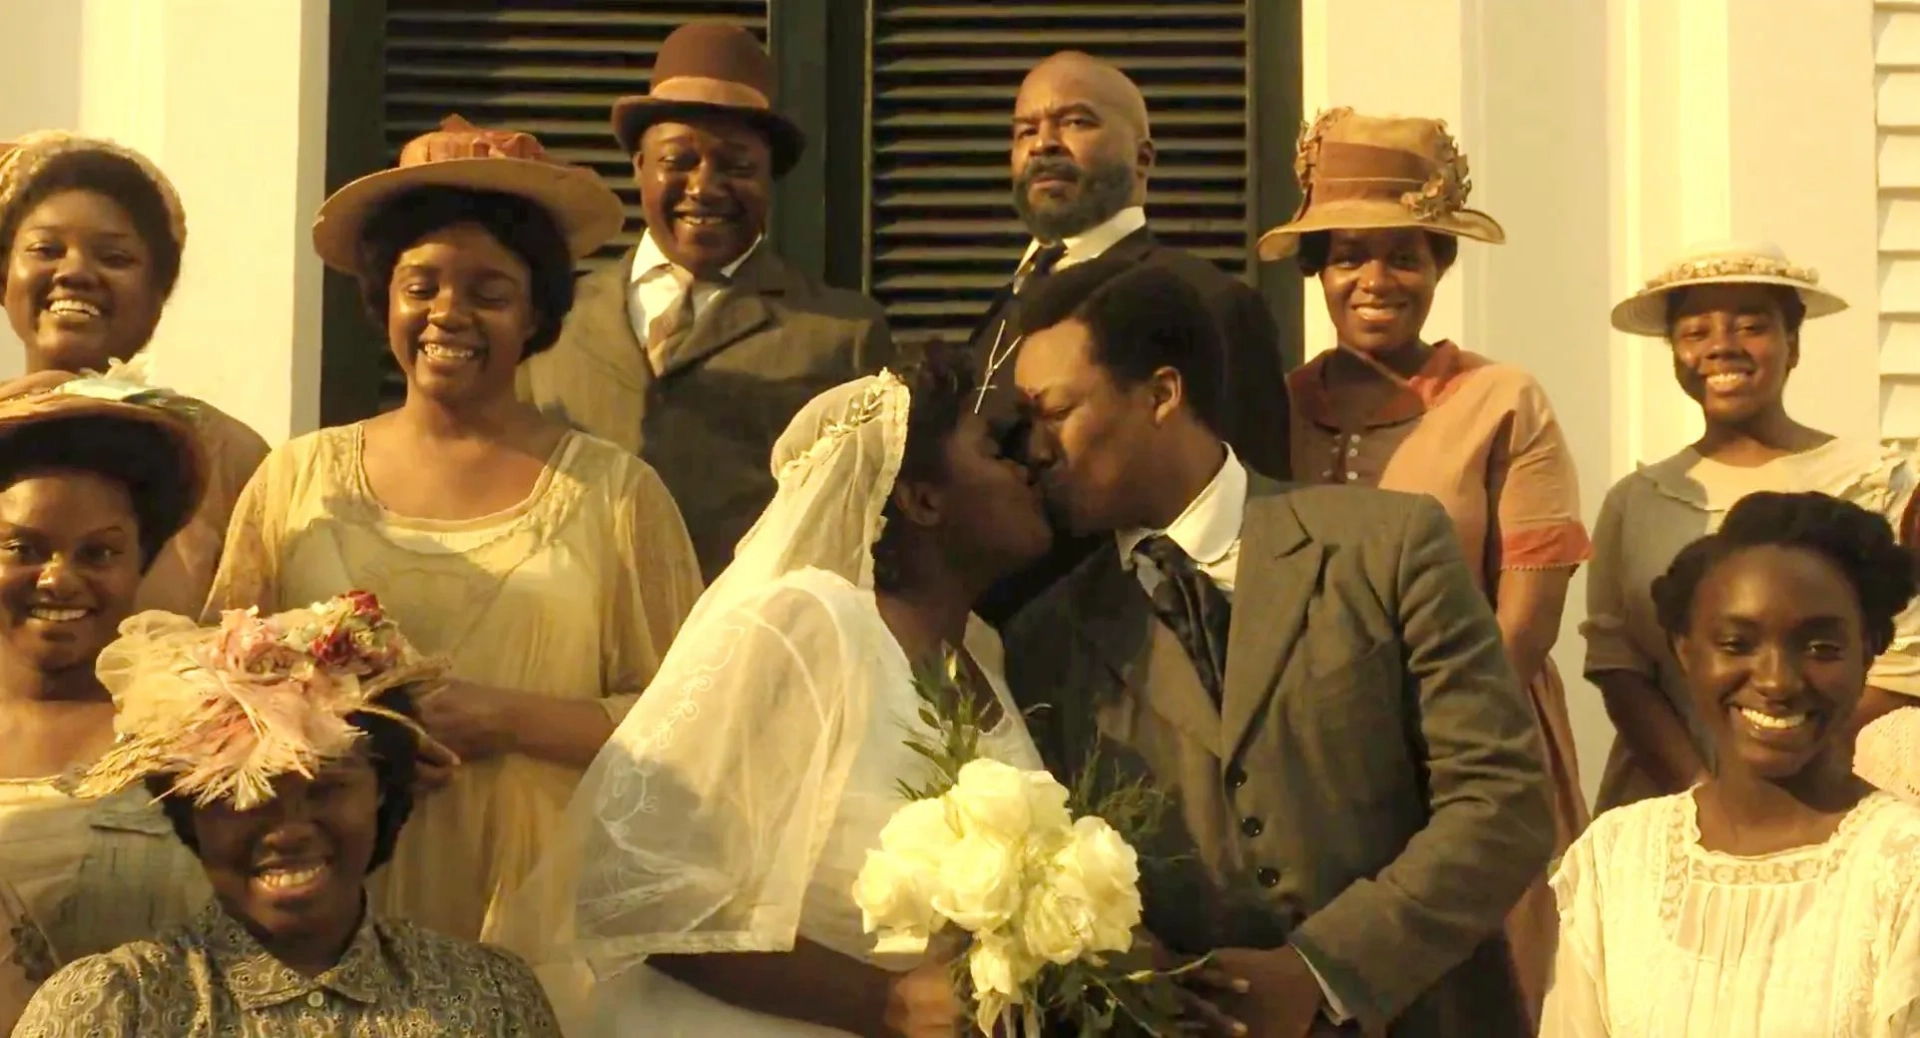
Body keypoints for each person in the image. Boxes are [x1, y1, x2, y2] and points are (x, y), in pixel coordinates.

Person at [1004, 257, 1552, 1036]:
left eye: (1054, 411)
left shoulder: (1388, 547)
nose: (1034, 449)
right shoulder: (1044, 638)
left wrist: (1324, 969)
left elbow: (1504, 803)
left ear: (1162, 394)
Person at [204, 115, 704, 943]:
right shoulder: (295, 481)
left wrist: (503, 718)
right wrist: (350, 729)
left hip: (541, 913)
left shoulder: (616, 493)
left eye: (489, 291)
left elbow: (691, 723)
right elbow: (213, 699)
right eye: (421, 285)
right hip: (324, 910)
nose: (449, 313)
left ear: (537, 310)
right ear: (384, 299)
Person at [491, 348, 1055, 1037]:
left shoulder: (986, 659)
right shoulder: (807, 623)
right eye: (997, 449)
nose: (1033, 463)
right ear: (921, 497)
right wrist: (888, 1003)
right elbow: (637, 886)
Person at [1263, 106, 1587, 1022]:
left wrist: (1436, 740)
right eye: (1348, 254)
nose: (1376, 279)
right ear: (1316, 271)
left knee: (1488, 998)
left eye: (1404, 254)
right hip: (1310, 763)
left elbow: (1531, 611)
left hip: (1473, 759)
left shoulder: (1501, 401)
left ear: (1440, 264)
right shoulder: (1272, 406)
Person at [12, 592, 563, 1035]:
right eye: (247, 792)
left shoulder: (492, 999)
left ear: (380, 792)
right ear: (191, 815)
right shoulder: (109, 1010)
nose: (290, 827)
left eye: (325, 789)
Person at [518, 21, 897, 582]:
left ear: (770, 182)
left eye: (738, 167)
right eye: (678, 161)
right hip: (569, 644)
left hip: (745, 650)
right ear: (639, 166)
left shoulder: (841, 334)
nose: (706, 186)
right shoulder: (552, 316)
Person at [1543, 491, 1920, 1036]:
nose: (1776, 681)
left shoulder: (1903, 871)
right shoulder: (1617, 859)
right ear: (1686, 652)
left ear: (1869, 652)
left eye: (1819, 648)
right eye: (1737, 644)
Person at [1583, 241, 1920, 811]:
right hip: (1667, 796)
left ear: (1793, 346)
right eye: (1696, 332)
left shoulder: (1875, 483)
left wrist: (1787, 762)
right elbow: (1619, 667)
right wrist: (1702, 793)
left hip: (1836, 794)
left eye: (1751, 326)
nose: (1722, 347)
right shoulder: (1635, 501)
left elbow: (1902, 664)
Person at [969, 50, 1292, 628]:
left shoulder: (1207, 299)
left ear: (1144, 157)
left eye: (1075, 121)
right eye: (1025, 131)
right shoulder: (1004, 302)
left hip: (1138, 652)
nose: (1043, 144)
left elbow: (1253, 516)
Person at [0, 371, 213, 1031]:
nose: (60, 577)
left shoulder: (202, 726)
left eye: (99, 552)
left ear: (141, 562)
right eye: (22, 549)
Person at [0, 132, 269, 617]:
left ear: (159, 294)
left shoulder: (231, 457)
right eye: (45, 249)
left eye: (115, 257)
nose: (75, 271)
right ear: (5, 278)